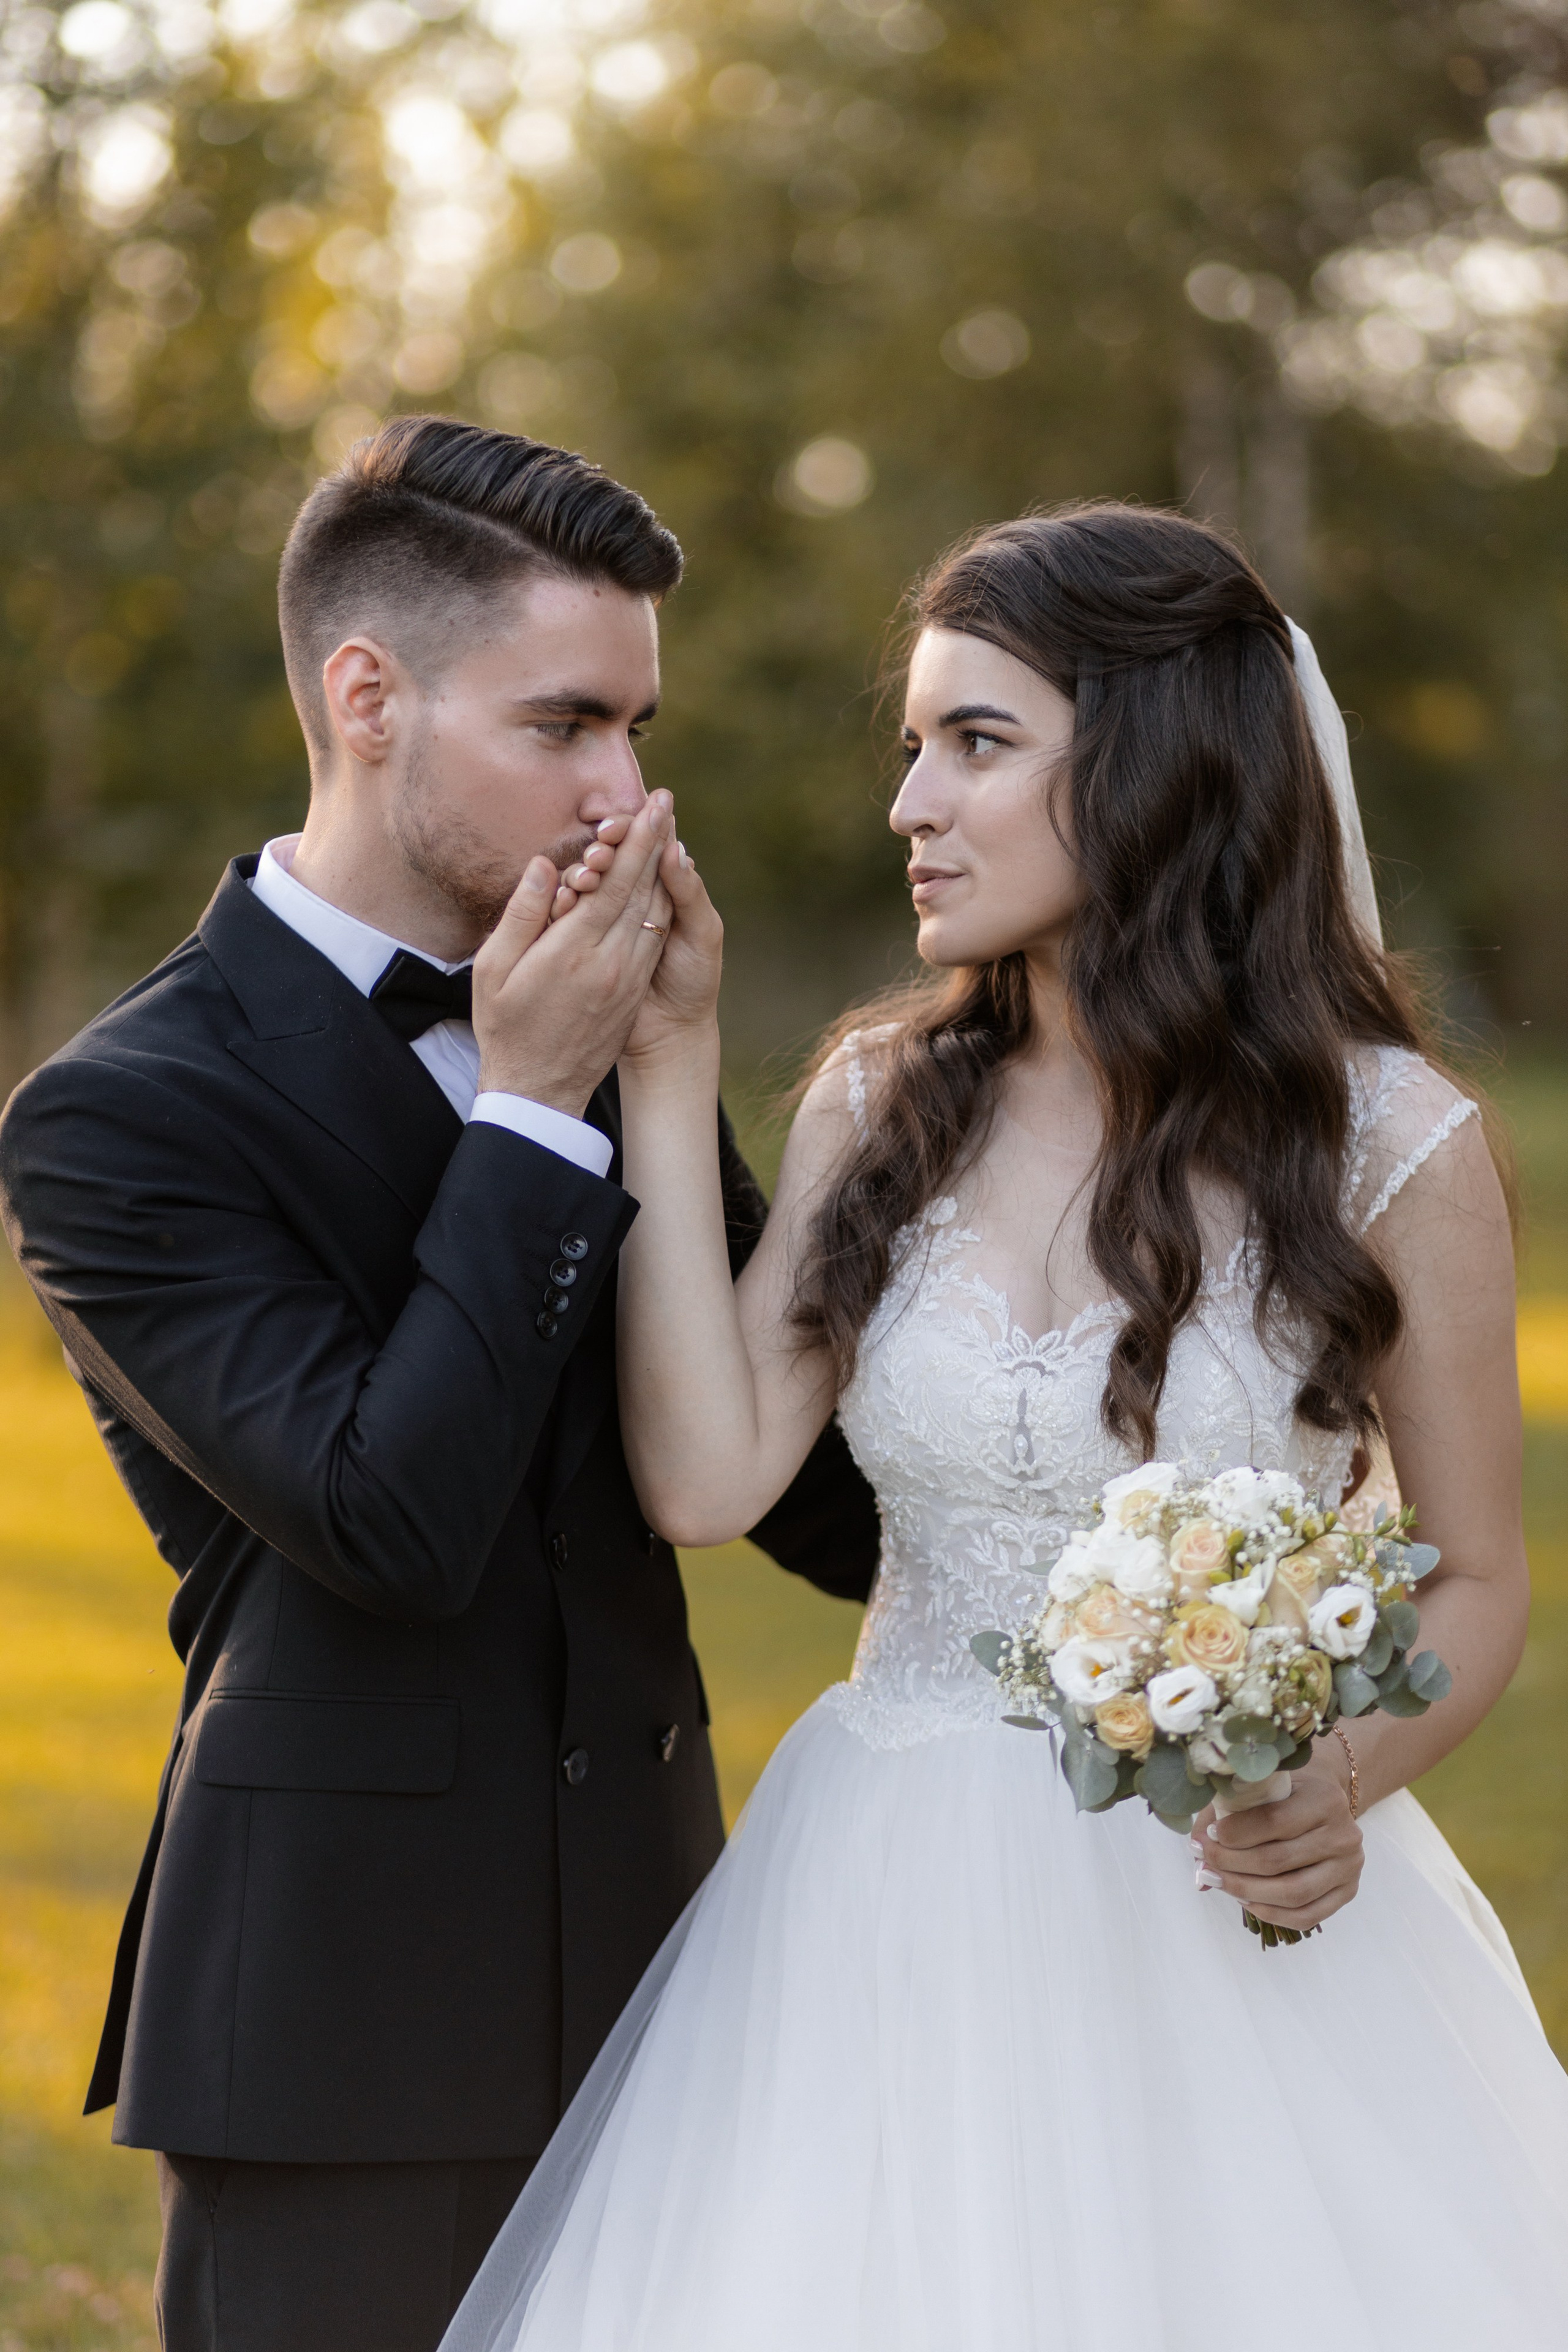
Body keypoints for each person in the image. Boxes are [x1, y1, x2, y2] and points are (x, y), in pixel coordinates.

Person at [443, 504, 1568, 2351]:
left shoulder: (1392, 1144)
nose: (911, 804)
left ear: (1154, 771)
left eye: (977, 743)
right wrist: (665, 1070)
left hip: (1228, 1914)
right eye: (915, 746)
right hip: (884, 1897)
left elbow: (1479, 1578)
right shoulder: (885, 1098)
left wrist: (1332, 1781)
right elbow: (707, 1478)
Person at [0, 415, 880, 2352]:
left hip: (672, 1990)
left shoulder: (618, 1024)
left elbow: (830, 1513)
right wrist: (540, 1104)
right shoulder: (114, 1121)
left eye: (639, 732)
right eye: (565, 725)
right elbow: (386, 1518)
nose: (621, 794)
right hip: (338, 2036)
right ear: (369, 696)